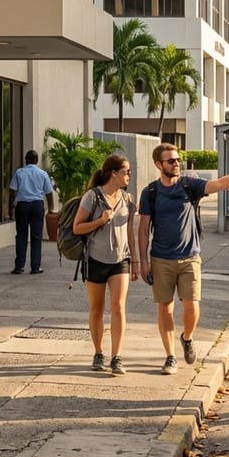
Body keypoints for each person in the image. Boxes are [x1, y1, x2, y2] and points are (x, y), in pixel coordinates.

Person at [138, 144, 229, 374]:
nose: (176, 163)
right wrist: (142, 261)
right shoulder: (150, 192)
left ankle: (187, 337)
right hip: (160, 258)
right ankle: (170, 356)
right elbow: (142, 229)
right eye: (170, 160)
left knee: (192, 306)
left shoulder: (190, 185)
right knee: (165, 307)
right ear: (158, 165)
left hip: (190, 257)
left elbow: (218, 184)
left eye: (178, 159)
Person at [71, 155, 138, 376]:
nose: (129, 175)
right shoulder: (93, 197)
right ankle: (98, 352)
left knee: (118, 307)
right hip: (95, 259)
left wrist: (135, 260)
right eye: (126, 171)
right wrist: (100, 220)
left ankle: (116, 356)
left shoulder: (128, 199)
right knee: (97, 309)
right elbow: (77, 228)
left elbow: (130, 233)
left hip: (121, 260)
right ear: (114, 173)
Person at [8, 150, 56, 275]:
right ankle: (35, 267)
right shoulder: (43, 173)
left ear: (26, 160)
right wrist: (51, 207)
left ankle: (19, 266)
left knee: (21, 236)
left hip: (22, 205)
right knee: (36, 237)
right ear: (36, 160)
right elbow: (49, 192)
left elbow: (12, 191)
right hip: (37, 205)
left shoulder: (19, 172)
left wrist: (10, 207)